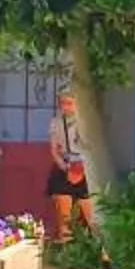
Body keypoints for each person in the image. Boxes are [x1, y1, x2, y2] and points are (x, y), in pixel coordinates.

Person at [46, 90, 94, 242]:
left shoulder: (87, 122)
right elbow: (54, 149)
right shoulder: (56, 122)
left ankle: (101, 251)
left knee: (90, 214)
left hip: (85, 166)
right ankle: (66, 247)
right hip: (65, 164)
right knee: (63, 211)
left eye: (69, 103)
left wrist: (84, 167)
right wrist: (63, 165)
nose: (65, 107)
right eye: (62, 103)